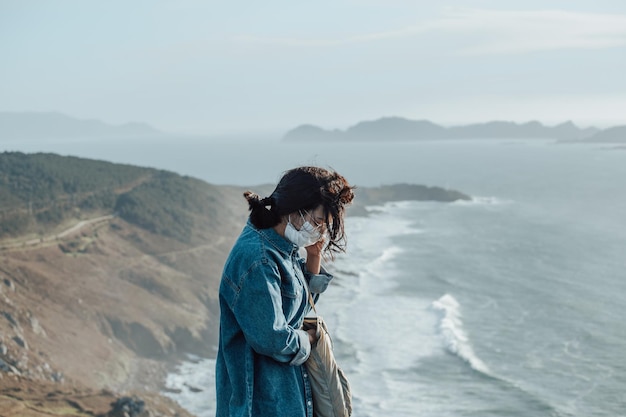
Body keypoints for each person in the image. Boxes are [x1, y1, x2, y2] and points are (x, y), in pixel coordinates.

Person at [215, 166, 355, 417]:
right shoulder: (259, 260)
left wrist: (314, 257)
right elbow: (273, 339)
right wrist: (310, 339)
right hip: (261, 404)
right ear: (295, 210)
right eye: (319, 221)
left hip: (284, 396)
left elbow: (297, 305)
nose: (320, 231)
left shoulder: (280, 248)